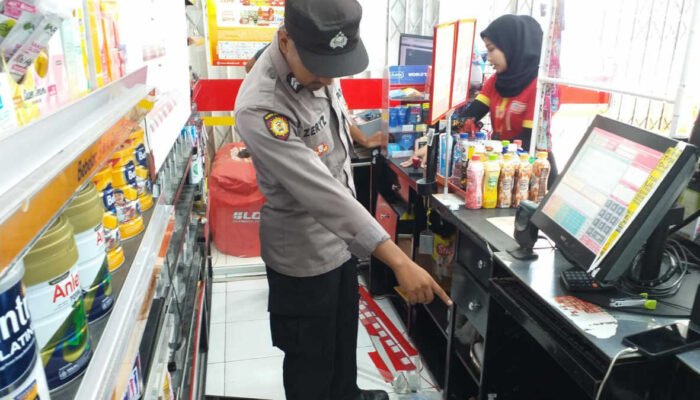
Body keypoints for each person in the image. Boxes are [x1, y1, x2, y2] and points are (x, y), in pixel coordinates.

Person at [234, 1, 451, 400]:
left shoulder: (316, 59)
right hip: (302, 254)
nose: (327, 78)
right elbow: (322, 194)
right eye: (318, 67)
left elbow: (333, 108)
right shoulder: (261, 106)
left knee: (342, 336)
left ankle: (347, 394)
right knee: (311, 358)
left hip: (342, 240)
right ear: (285, 40)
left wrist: (362, 135)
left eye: (335, 67)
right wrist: (399, 261)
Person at [460, 14, 558, 180]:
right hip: (502, 167)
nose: (488, 58)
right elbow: (469, 116)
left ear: (512, 46)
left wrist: (490, 150)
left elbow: (527, 139)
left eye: (491, 49)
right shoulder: (496, 81)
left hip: (533, 174)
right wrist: (433, 141)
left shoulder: (540, 87)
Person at [246, 41, 387, 149]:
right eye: (317, 65)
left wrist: (364, 140)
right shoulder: (278, 100)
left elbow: (340, 113)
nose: (328, 80)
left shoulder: (330, 71)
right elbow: (250, 66)